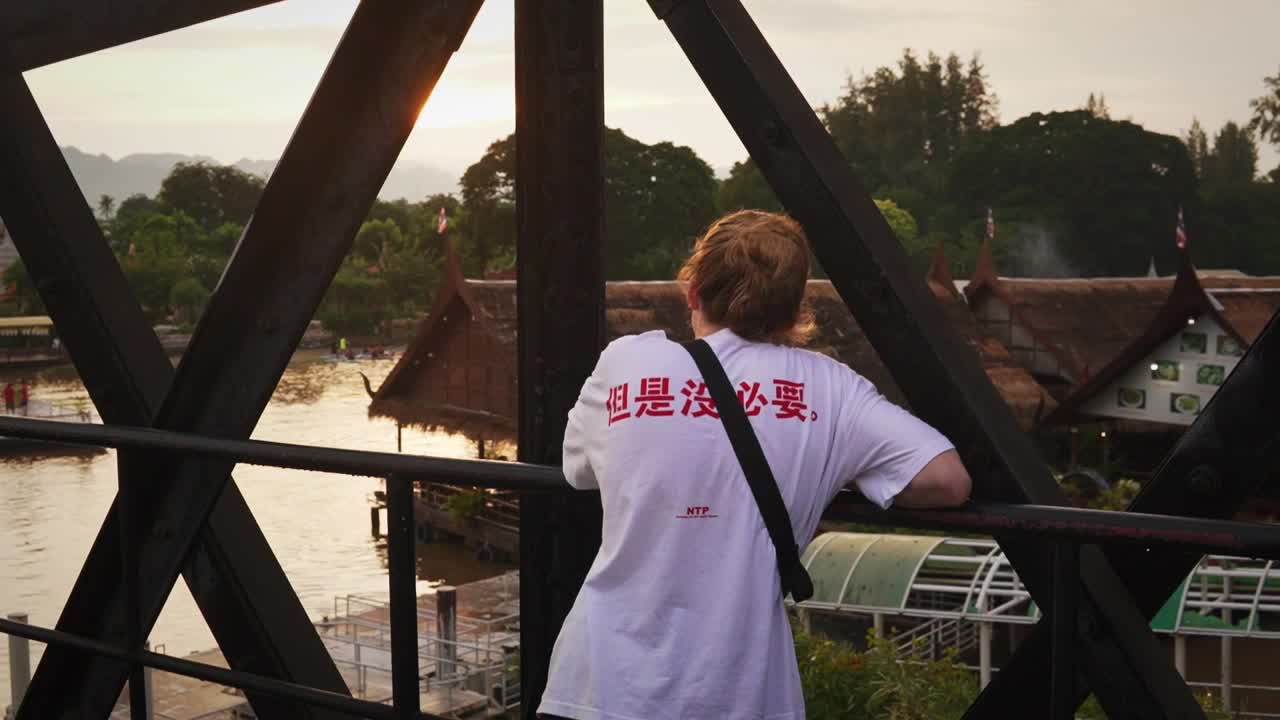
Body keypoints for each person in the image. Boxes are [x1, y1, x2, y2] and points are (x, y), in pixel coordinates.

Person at [537, 210, 972, 720]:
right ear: (793, 312)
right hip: (739, 696)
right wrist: (831, 470)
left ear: (694, 290)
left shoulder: (628, 363)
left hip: (596, 687)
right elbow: (947, 479)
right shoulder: (830, 390)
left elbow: (579, 470)